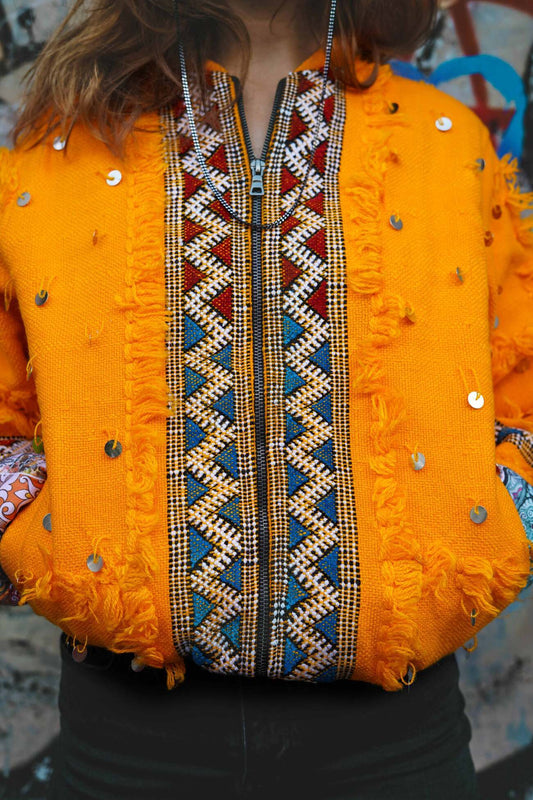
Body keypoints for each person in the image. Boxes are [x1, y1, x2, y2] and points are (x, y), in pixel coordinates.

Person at [0, 0, 532, 797]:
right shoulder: (63, 148)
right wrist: (34, 531)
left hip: (396, 743)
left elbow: (522, 390)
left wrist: (499, 522)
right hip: (125, 741)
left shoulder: (443, 140)